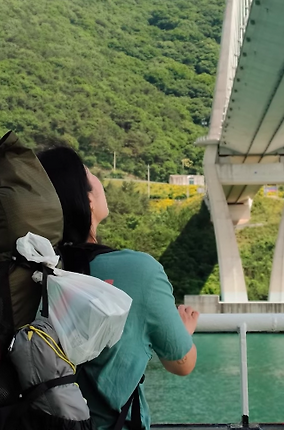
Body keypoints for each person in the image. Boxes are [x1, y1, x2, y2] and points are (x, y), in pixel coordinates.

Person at [37, 146, 198, 430]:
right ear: (87, 199)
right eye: (89, 173)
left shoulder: (27, 271)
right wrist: (184, 330)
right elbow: (181, 363)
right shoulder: (140, 271)